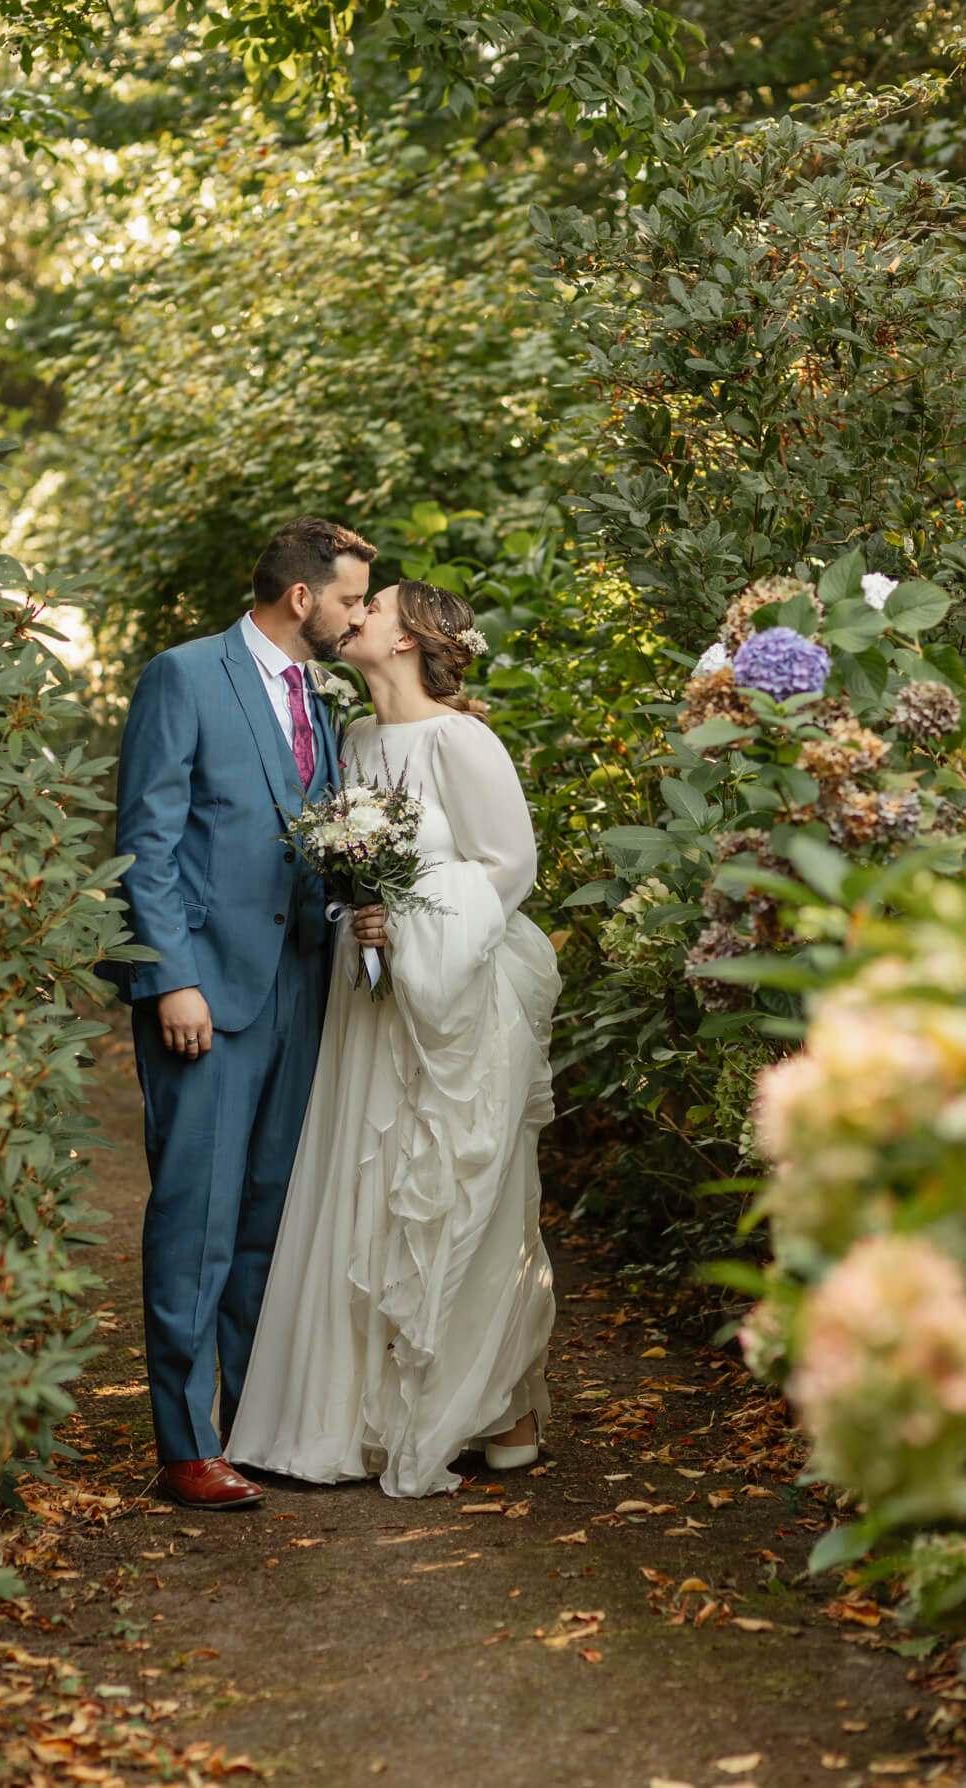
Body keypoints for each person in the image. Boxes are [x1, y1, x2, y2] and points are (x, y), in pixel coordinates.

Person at [227, 580, 560, 1498]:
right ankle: (375, 1413)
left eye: (371, 607)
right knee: (370, 1185)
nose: (354, 615)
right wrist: (360, 916)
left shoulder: (462, 737)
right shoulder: (355, 741)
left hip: (455, 998)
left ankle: (494, 1404)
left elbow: (507, 866)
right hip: (370, 998)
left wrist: (408, 924)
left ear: (409, 639)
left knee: (459, 1192)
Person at [113, 517, 375, 1509]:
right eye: (350, 598)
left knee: (268, 1215)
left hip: (300, 987)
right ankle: (186, 1444)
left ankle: (254, 1424)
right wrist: (168, 976)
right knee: (198, 1219)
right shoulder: (182, 676)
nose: (356, 616)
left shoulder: (314, 692)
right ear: (301, 596)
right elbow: (148, 837)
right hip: (206, 997)